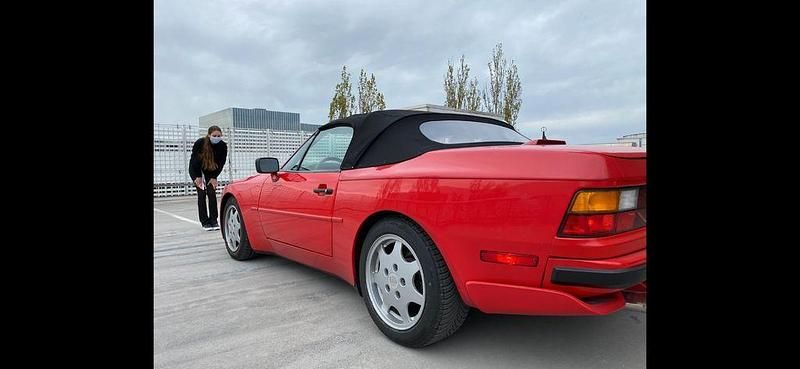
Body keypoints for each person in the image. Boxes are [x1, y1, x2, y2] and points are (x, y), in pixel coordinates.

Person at [189, 126, 228, 231]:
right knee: (201, 193)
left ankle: (214, 221)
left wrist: (214, 177)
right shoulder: (200, 143)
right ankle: (205, 222)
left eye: (219, 136)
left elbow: (220, 164)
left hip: (211, 171)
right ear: (209, 135)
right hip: (197, 170)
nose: (216, 137)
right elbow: (194, 161)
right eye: (214, 136)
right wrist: (197, 177)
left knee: (211, 193)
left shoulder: (223, 146)